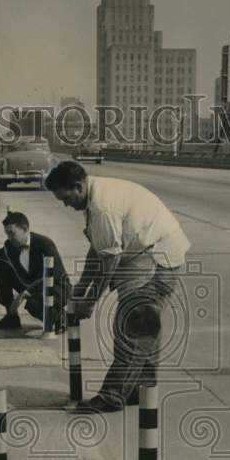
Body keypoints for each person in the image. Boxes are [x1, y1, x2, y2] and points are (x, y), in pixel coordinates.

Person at [44, 160, 190, 412]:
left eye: (65, 198)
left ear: (77, 186)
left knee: (133, 324)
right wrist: (81, 286)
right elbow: (98, 248)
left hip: (158, 257)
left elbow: (109, 259)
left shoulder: (103, 207)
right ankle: (139, 388)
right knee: (143, 327)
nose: (65, 204)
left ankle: (113, 396)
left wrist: (90, 301)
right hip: (144, 253)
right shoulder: (95, 196)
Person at [0, 211, 71, 331]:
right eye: (7, 234)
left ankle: (60, 318)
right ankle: (11, 318)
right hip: (31, 286)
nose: (9, 238)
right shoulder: (9, 246)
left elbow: (54, 275)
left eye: (12, 233)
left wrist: (25, 293)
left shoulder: (44, 244)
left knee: (34, 305)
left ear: (24, 229)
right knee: (0, 266)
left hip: (57, 287)